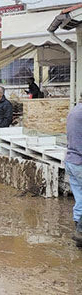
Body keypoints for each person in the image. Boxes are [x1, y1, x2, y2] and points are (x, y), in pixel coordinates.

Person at [66, 102, 82, 247]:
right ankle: (80, 231)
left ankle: (78, 225)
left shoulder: (75, 110)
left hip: (71, 160)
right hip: (80, 161)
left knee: (79, 196)